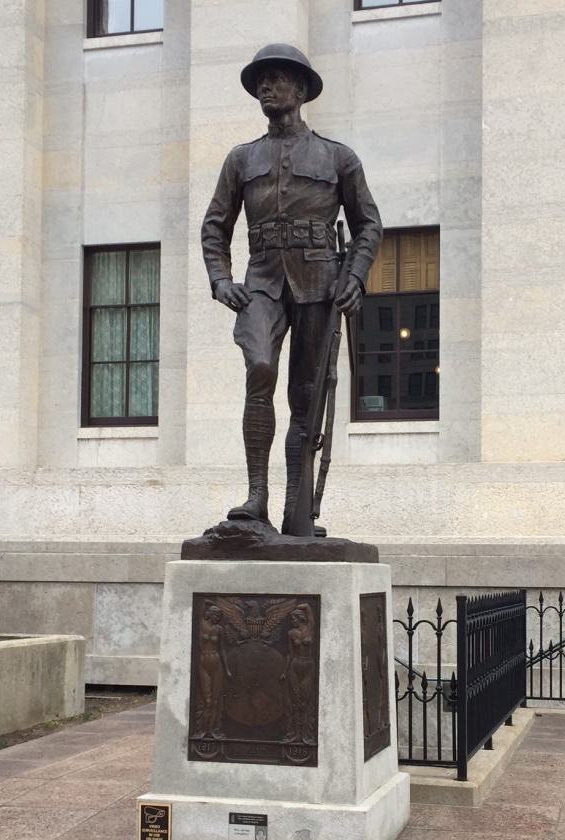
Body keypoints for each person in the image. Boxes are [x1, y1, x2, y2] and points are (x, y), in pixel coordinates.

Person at [202, 43, 382, 533]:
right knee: (259, 368)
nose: (266, 86)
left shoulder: (337, 157)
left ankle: (294, 511)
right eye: (262, 80)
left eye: (277, 78)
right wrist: (221, 279)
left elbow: (368, 225)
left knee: (305, 398)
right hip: (262, 283)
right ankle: (255, 498)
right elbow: (215, 226)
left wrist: (355, 276)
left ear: (300, 90)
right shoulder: (241, 159)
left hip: (319, 285)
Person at [280, 603, 316, 743]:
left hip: (308, 666)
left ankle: (306, 734)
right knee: (295, 703)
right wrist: (284, 671)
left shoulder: (310, 629)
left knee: (305, 703)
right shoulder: (291, 634)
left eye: (293, 619)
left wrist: (298, 606)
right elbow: (290, 653)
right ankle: (296, 733)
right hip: (295, 665)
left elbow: (308, 607)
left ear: (300, 619)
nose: (292, 622)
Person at [196, 602, 231, 739]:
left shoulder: (219, 629)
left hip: (217, 664)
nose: (218, 618)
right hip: (204, 663)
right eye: (216, 615)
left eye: (219, 615)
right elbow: (202, 604)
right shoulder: (202, 624)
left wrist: (227, 669)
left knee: (216, 701)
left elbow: (222, 649)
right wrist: (212, 603)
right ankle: (203, 731)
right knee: (208, 701)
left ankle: (213, 731)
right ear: (209, 615)